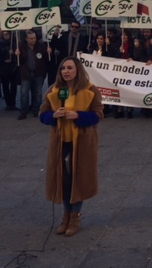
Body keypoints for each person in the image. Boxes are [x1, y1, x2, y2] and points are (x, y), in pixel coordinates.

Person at [39, 56, 104, 237]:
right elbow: (42, 114)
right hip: (60, 142)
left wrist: (79, 116)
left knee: (78, 179)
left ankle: (75, 217)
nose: (65, 71)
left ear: (78, 70)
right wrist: (53, 115)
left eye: (69, 68)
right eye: (63, 68)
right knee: (64, 180)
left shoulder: (90, 90)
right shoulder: (54, 90)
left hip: (82, 142)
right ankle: (66, 215)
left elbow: (98, 114)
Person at [16, 30, 50, 120]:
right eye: (31, 38)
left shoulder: (41, 46)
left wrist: (48, 53)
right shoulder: (21, 46)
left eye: (34, 38)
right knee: (24, 94)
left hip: (38, 72)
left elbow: (46, 59)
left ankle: (36, 110)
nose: (33, 40)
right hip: (26, 73)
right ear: (26, 39)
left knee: (38, 93)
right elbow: (19, 62)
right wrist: (17, 55)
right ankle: (23, 112)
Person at [0, 30, 17, 111]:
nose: (6, 36)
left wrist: (13, 54)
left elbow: (19, 57)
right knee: (5, 87)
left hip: (13, 68)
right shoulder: (0, 44)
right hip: (3, 69)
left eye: (7, 34)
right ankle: (8, 104)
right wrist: (4, 61)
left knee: (14, 87)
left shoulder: (14, 44)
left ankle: (13, 104)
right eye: (4, 34)